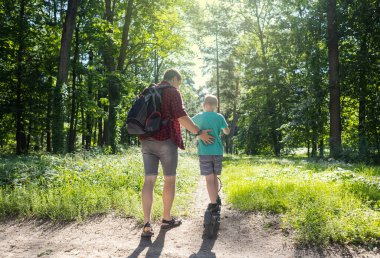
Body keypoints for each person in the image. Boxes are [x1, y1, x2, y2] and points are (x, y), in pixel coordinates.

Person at [140, 69, 214, 237]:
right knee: (169, 179)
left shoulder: (148, 90)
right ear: (174, 79)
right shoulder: (172, 92)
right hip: (166, 140)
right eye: (179, 83)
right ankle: (166, 220)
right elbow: (181, 116)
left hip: (146, 140)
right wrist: (199, 132)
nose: (178, 86)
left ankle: (146, 224)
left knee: (149, 180)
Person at [192, 95, 230, 216]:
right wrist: (220, 128)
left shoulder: (199, 116)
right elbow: (227, 131)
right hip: (217, 151)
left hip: (204, 152)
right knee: (214, 177)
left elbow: (188, 124)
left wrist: (199, 132)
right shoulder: (219, 117)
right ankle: (216, 198)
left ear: (204, 104)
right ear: (215, 105)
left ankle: (213, 204)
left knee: (209, 179)